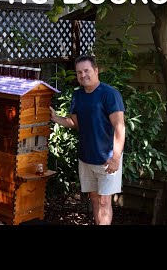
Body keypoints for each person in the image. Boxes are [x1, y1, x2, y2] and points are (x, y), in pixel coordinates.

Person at [50, 55, 125, 225]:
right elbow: (75, 123)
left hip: (107, 159)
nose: (83, 75)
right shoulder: (78, 96)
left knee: (105, 201)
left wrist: (115, 158)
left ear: (96, 71)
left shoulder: (110, 94)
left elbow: (120, 127)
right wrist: (55, 118)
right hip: (86, 158)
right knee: (94, 199)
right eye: (79, 72)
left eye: (86, 70)